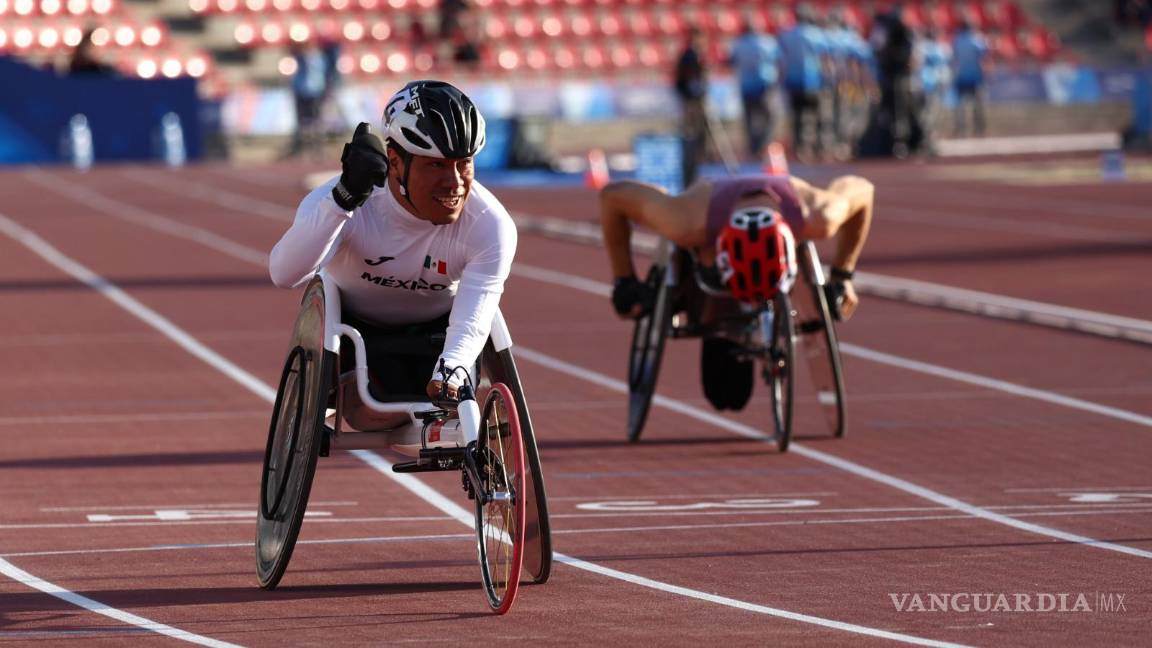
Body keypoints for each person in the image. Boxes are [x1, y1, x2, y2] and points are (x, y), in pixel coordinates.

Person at [269, 80, 516, 417]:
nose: (455, 182)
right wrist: (342, 200)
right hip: (354, 334)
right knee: (369, 415)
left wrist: (453, 367)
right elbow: (284, 273)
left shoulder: (490, 223)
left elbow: (476, 310)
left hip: (437, 334)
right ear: (395, 162)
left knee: (447, 404)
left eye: (464, 163)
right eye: (436, 165)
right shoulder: (344, 202)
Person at [600, 172, 873, 410]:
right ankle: (692, 292)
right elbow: (611, 196)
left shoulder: (819, 216)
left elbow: (863, 189)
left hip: (784, 202)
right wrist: (624, 281)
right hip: (708, 206)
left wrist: (842, 276)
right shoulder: (686, 224)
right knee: (678, 246)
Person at [778, 4, 831, 160]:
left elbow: (782, 61)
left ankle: (801, 148)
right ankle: (820, 146)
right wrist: (827, 77)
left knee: (797, 116)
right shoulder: (817, 35)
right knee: (818, 114)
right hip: (813, 79)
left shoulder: (786, 35)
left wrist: (781, 79)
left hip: (793, 80)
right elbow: (825, 58)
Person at [728, 17, 780, 160]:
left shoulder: (738, 44)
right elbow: (778, 60)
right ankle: (762, 144)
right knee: (769, 116)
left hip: (747, 86)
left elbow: (731, 62)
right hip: (764, 85)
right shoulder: (768, 42)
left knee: (749, 118)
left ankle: (753, 147)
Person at [673, 26, 709, 185]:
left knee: (701, 126)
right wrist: (689, 95)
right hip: (691, 98)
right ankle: (692, 155)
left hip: (696, 97)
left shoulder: (697, 54)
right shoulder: (689, 55)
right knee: (691, 128)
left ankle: (700, 153)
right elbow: (682, 78)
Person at [951, 17, 990, 137]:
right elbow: (985, 55)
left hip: (961, 75)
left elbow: (955, 57)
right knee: (978, 104)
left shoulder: (957, 39)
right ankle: (979, 130)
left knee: (960, 104)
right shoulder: (977, 39)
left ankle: (961, 129)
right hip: (975, 76)